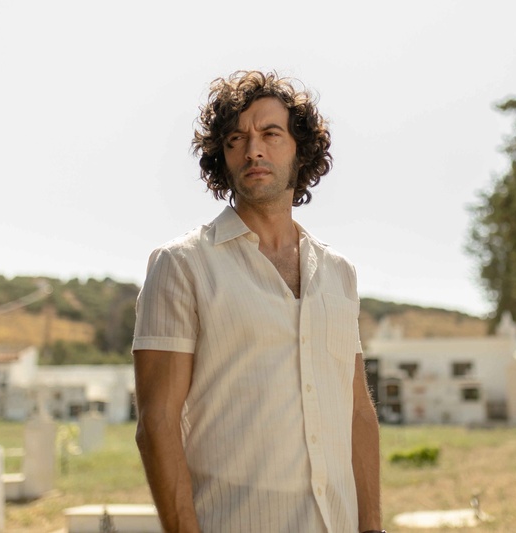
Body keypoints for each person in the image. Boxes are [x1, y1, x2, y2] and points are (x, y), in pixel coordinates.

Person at [132, 70, 383, 533]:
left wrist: (372, 526)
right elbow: (157, 421)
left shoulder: (339, 273)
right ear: (222, 157)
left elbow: (357, 412)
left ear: (300, 149)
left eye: (270, 134)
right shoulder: (182, 265)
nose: (253, 150)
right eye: (236, 139)